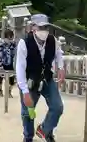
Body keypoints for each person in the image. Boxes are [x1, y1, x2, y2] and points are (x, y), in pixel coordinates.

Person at [16, 14, 65, 142]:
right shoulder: (24, 43)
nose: (44, 30)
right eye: (41, 27)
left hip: (47, 79)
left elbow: (59, 53)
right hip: (30, 81)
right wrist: (25, 91)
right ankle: (28, 137)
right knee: (28, 112)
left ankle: (45, 130)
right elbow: (20, 69)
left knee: (57, 106)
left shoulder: (52, 40)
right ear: (33, 28)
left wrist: (61, 67)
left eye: (46, 27)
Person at [0, 29, 16, 98]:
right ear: (7, 37)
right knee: (0, 78)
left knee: (11, 80)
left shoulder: (13, 44)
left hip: (10, 64)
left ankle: (9, 92)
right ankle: (0, 90)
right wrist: (0, 65)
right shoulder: (1, 44)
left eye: (12, 37)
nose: (12, 39)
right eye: (10, 37)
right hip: (2, 64)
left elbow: (14, 54)